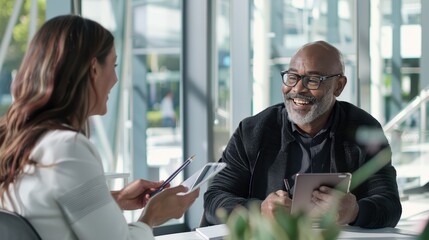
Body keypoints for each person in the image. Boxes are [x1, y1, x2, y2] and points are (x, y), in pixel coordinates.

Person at [0, 15, 199, 240]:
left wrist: (117, 198)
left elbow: (48, 212)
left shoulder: (20, 142)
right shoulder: (67, 148)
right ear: (94, 69)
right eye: (113, 65)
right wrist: (151, 216)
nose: (115, 79)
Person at [203, 41, 402, 229]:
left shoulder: (365, 130)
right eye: (292, 77)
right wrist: (258, 210)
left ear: (339, 86)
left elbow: (390, 205)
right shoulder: (253, 131)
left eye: (313, 80)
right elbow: (214, 199)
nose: (297, 89)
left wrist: (355, 212)